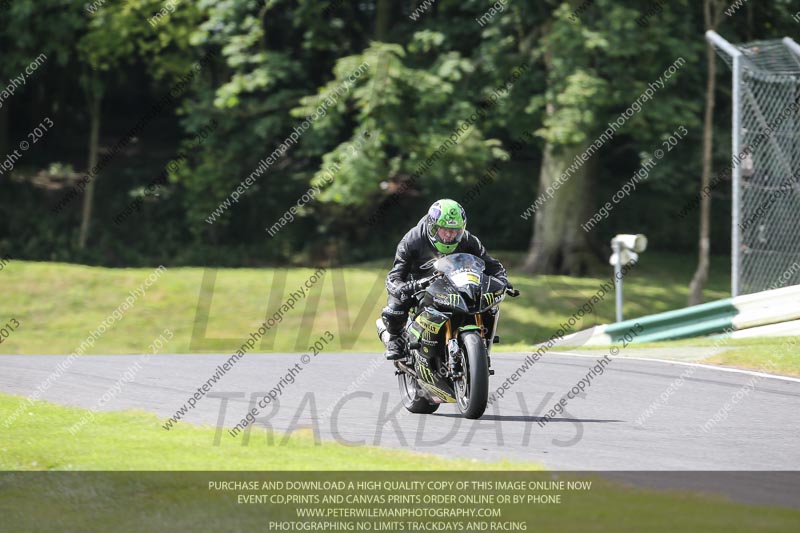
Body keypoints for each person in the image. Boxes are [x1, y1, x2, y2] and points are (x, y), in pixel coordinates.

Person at [382, 198, 510, 360]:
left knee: (487, 303)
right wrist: (406, 287)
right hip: (419, 285)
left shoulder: (468, 240)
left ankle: (482, 342)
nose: (449, 235)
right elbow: (394, 276)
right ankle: (395, 339)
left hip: (453, 284)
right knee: (394, 307)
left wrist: (502, 279)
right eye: (444, 230)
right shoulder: (412, 240)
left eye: (455, 231)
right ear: (433, 227)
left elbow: (492, 264)